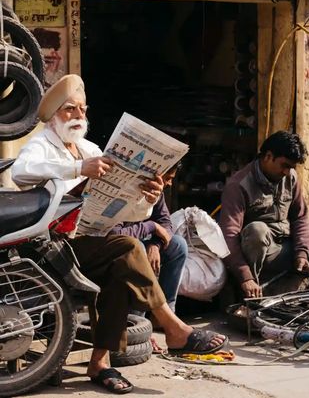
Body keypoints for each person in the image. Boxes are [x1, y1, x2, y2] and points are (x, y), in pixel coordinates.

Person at [11, 74, 227, 394]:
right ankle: (172, 327)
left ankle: (99, 362)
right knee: (126, 248)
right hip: (51, 247)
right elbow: (20, 173)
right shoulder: (41, 146)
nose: (79, 116)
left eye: (83, 110)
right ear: (55, 114)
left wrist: (148, 197)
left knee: (121, 267)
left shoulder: (90, 148)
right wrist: (76, 170)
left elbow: (128, 213)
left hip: (92, 241)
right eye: (71, 109)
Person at [219, 131, 309, 298]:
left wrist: (302, 253)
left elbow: (300, 217)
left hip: (288, 246)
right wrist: (245, 276)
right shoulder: (238, 185)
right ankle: (252, 295)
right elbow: (229, 235)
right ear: (268, 156)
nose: (287, 172)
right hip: (264, 253)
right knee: (257, 230)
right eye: (285, 165)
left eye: (291, 167)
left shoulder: (291, 178)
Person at [110, 162, 187, 313]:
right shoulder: (122, 189)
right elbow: (115, 234)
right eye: (167, 178)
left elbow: (166, 225)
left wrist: (155, 244)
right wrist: (151, 226)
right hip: (114, 250)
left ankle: (166, 312)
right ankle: (138, 317)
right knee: (137, 248)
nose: (169, 184)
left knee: (179, 245)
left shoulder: (157, 193)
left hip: (143, 243)